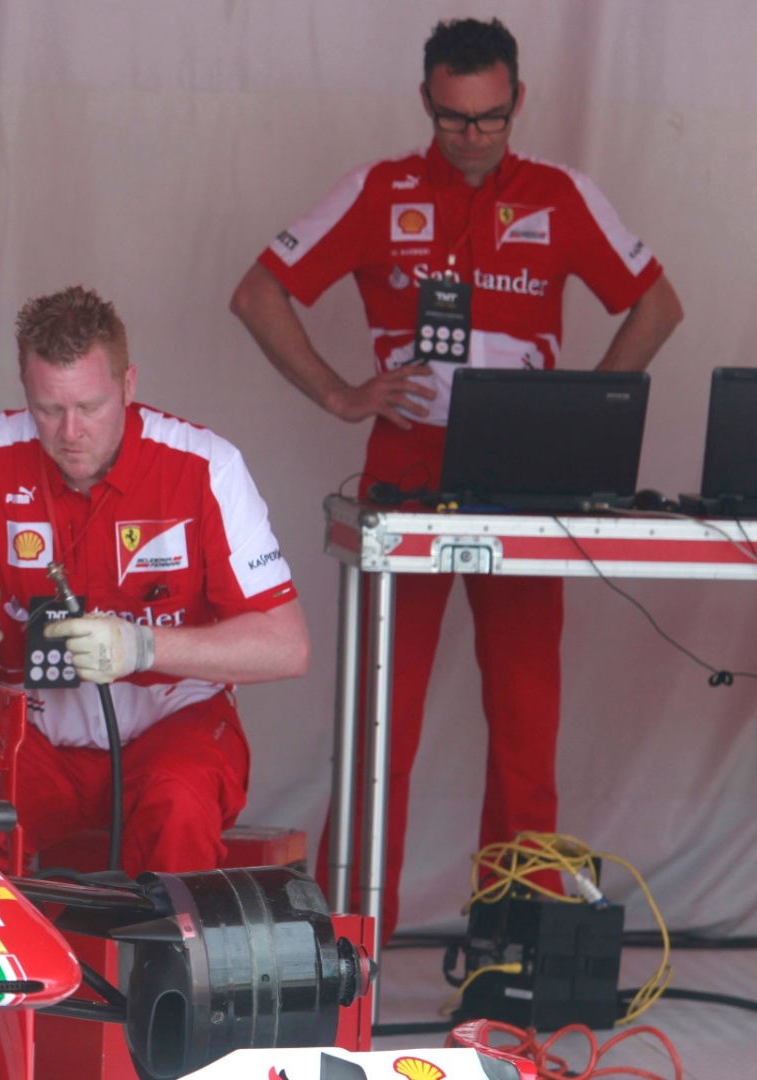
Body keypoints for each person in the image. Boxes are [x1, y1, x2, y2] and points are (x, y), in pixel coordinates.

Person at [229, 18, 683, 940]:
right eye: (452, 119)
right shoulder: (378, 189)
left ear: (518, 101)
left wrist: (581, 410)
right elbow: (257, 292)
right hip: (406, 483)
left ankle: (515, 947)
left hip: (524, 490)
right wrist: (341, 394)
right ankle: (346, 943)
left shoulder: (561, 195)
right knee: (378, 733)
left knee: (526, 732)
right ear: (426, 104)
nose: (472, 136)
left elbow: (656, 304)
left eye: (489, 119)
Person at [0, 287, 309, 875]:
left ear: (129, 386)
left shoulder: (206, 465)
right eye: (49, 409)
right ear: (25, 389)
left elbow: (287, 646)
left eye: (91, 407)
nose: (70, 431)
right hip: (35, 736)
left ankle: (167, 966)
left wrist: (143, 646)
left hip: (175, 726)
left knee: (178, 806)